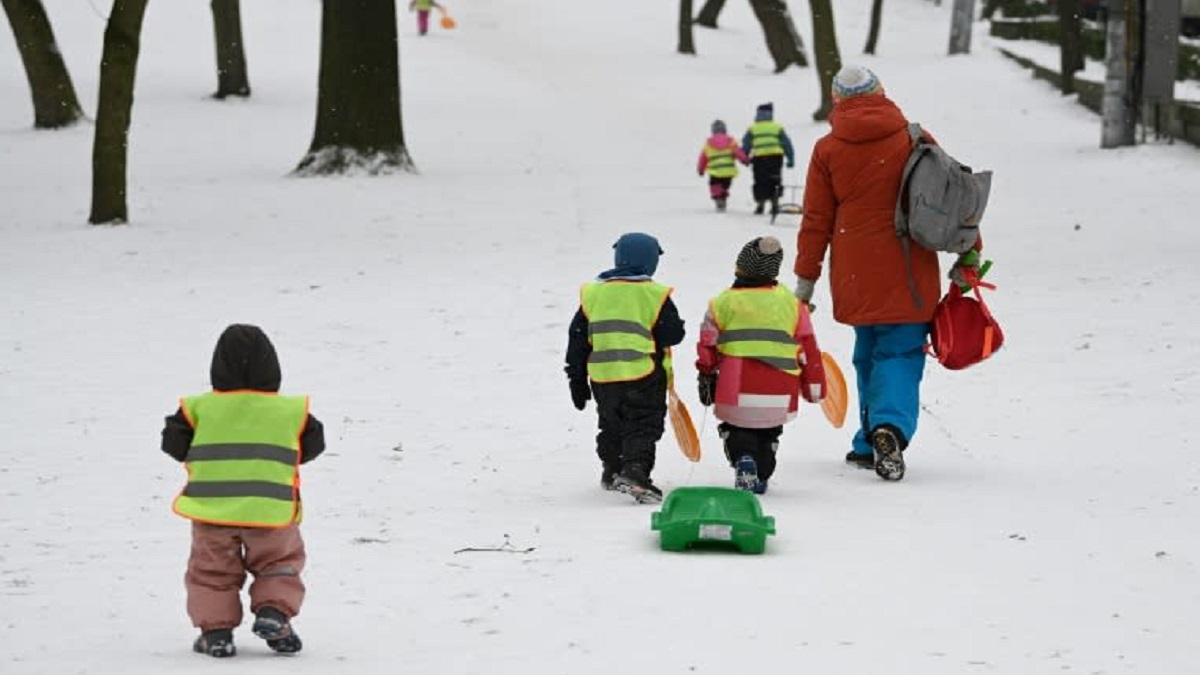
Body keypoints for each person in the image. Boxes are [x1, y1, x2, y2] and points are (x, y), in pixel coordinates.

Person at [791, 65, 983, 482]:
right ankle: (889, 428)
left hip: (854, 272)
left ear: (837, 101)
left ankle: (867, 440)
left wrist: (805, 283)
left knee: (868, 353)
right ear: (881, 93)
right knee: (900, 352)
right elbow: (953, 198)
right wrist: (970, 255)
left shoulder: (827, 150)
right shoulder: (913, 139)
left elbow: (815, 222)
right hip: (908, 267)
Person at [161, 324, 326, 657]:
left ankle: (216, 632)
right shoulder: (291, 411)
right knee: (278, 563)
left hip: (212, 514)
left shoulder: (198, 409)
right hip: (272, 513)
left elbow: (173, 443)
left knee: (211, 572)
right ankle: (274, 613)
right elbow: (312, 445)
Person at [695, 236, 826, 494]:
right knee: (768, 432)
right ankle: (762, 469)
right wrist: (815, 386)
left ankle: (743, 459)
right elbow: (808, 348)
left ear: (739, 268)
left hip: (736, 386)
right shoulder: (792, 304)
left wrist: (707, 373)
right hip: (779, 388)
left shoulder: (722, 302)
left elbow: (707, 342)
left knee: (737, 429)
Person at [564, 233, 686, 504]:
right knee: (642, 425)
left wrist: (576, 379)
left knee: (611, 424)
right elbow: (672, 334)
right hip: (642, 374)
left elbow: (578, 338)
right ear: (651, 262)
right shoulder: (653, 293)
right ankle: (634, 472)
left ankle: (612, 469)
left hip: (604, 377)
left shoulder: (594, 293)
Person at [741, 102, 795, 216]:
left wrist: (744, 158)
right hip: (775, 158)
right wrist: (790, 159)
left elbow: (746, 145)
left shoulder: (753, 128)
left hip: (759, 159)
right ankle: (774, 204)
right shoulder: (777, 127)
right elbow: (786, 144)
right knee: (775, 180)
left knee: (760, 181)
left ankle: (760, 205)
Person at [697, 119, 750, 212]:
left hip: (715, 171)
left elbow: (703, 157)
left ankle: (718, 199)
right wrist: (745, 160)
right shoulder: (730, 141)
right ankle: (723, 197)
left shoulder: (708, 143)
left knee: (714, 185)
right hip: (728, 171)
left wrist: (701, 169)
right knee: (725, 185)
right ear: (725, 130)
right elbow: (738, 152)